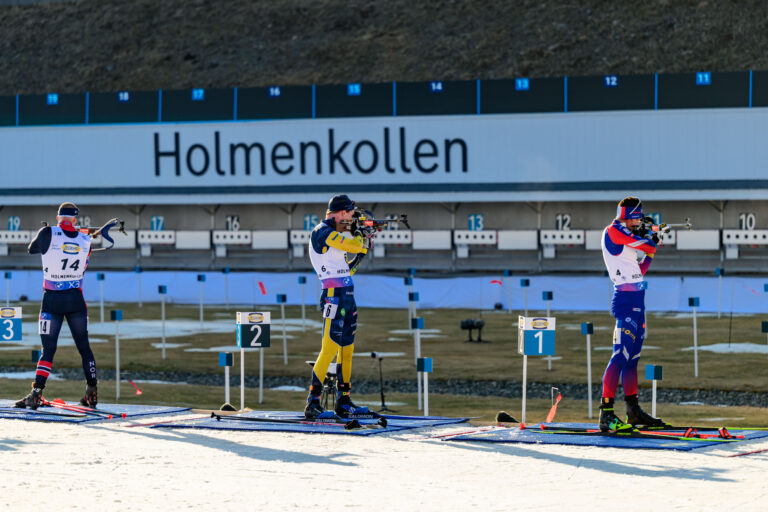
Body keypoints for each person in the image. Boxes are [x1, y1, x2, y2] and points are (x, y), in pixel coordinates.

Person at [15, 203, 120, 410]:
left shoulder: (48, 232)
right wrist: (79, 234)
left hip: (52, 300)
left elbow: (31, 249)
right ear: (75, 220)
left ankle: (36, 394)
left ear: (57, 218)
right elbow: (82, 255)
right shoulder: (85, 240)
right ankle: (92, 392)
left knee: (48, 350)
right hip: (75, 300)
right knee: (84, 348)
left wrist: (45, 232)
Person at [598, 196, 667, 432]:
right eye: (638, 218)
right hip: (626, 302)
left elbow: (639, 271)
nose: (639, 223)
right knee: (620, 355)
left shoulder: (627, 238)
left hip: (638, 301)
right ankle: (606, 413)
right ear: (631, 216)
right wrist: (651, 240)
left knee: (632, 359)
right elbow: (645, 244)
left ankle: (633, 410)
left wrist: (652, 247)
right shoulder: (613, 231)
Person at [304, 194, 374, 419]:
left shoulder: (337, 235)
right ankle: (313, 402)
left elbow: (348, 269)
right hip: (333, 294)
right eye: (351, 215)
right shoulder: (322, 232)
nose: (352, 218)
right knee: (330, 347)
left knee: (347, 348)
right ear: (342, 212)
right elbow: (353, 246)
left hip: (346, 292)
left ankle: (343, 400)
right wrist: (359, 235)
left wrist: (364, 246)